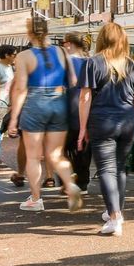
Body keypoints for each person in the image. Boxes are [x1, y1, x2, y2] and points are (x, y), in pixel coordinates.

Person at [5, 17, 84, 213]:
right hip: (59, 102)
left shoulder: (23, 56)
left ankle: (36, 198)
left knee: (33, 156)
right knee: (55, 154)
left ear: (29, 32)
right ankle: (71, 185)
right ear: (47, 31)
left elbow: (20, 89)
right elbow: (73, 80)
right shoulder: (61, 51)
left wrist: (14, 118)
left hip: (35, 103)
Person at [78, 21, 134, 236]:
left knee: (106, 169)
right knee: (119, 167)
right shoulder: (133, 66)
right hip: (128, 121)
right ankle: (115, 212)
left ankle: (115, 216)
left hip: (102, 120)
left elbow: (85, 97)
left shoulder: (93, 63)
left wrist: (82, 128)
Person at [62, 32, 93, 193]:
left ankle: (67, 177)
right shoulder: (91, 62)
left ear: (69, 44)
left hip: (67, 108)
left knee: (60, 148)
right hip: (88, 109)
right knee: (84, 147)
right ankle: (83, 182)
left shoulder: (65, 63)